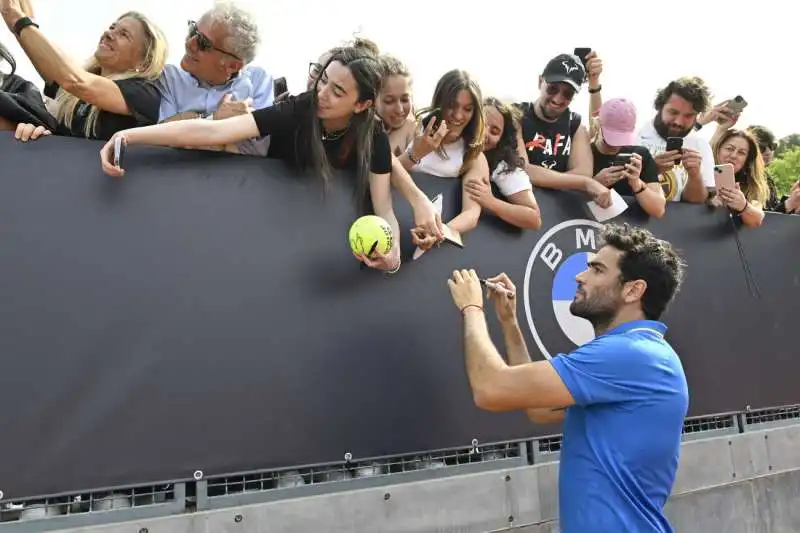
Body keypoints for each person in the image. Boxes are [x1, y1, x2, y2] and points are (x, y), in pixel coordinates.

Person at [446, 223, 688, 533]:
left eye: (597, 270)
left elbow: (490, 389)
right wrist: (508, 322)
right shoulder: (636, 354)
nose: (580, 275)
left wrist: (471, 307)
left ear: (633, 290)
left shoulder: (630, 354)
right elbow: (539, 409)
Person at [100, 46, 403, 273]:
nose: (322, 93)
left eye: (337, 91)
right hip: (259, 215)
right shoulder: (300, 108)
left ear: (362, 104)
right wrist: (129, 136)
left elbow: (384, 207)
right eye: (323, 80)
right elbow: (213, 132)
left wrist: (394, 258)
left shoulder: (372, 137)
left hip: (311, 240)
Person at [2, 0, 167, 141]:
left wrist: (19, 20)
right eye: (112, 27)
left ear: (144, 61)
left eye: (124, 35)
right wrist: (19, 20)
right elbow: (53, 69)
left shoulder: (145, 93)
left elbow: (75, 81)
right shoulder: (75, 97)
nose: (109, 33)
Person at [157, 4, 273, 157]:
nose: (189, 43)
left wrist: (189, 132)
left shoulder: (259, 81)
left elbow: (256, 151)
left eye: (203, 43)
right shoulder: (169, 77)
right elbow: (161, 138)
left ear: (232, 65)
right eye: (193, 30)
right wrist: (216, 120)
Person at [396, 69, 490, 239]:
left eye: (468, 109)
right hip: (392, 224)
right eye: (451, 106)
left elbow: (471, 214)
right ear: (440, 102)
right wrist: (415, 154)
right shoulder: (411, 128)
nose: (458, 115)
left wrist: (436, 232)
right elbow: (380, 172)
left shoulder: (473, 155)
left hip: (431, 238)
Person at [513, 53, 611, 208]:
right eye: (552, 89)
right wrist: (582, 183)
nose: (558, 99)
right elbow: (522, 169)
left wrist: (544, 180)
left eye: (567, 93)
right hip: (522, 208)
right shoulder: (516, 115)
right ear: (540, 82)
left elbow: (584, 172)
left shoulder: (575, 124)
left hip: (556, 214)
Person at [635, 77, 715, 203]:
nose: (678, 122)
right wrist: (651, 170)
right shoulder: (635, 136)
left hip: (677, 222)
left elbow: (696, 204)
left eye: (688, 116)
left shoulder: (701, 146)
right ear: (659, 106)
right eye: (673, 112)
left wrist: (695, 176)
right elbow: (616, 190)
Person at [591, 98, 666, 218]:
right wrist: (594, 184)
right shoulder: (585, 153)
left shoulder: (640, 155)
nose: (616, 145)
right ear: (597, 125)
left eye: (621, 138)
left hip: (627, 230)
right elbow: (565, 201)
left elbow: (658, 210)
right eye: (611, 138)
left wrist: (636, 182)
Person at [474, 97, 541, 229]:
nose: (484, 133)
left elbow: (534, 219)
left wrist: (490, 201)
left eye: (494, 131)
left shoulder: (503, 167)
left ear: (501, 140)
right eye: (481, 124)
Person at [712, 129, 768, 227]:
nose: (733, 155)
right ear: (718, 149)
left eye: (741, 153)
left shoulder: (751, 186)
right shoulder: (701, 173)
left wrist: (743, 206)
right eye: (729, 149)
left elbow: (757, 220)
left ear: (747, 160)